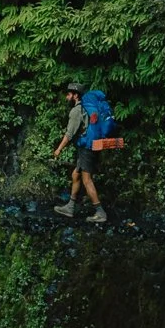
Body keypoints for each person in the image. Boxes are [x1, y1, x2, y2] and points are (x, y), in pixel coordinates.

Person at [52, 82, 106, 224]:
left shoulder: (76, 111)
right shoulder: (86, 109)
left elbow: (69, 134)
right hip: (87, 147)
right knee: (75, 174)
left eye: (69, 94)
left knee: (87, 180)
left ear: (76, 96)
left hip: (86, 148)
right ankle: (70, 207)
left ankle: (100, 212)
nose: (67, 97)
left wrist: (58, 149)